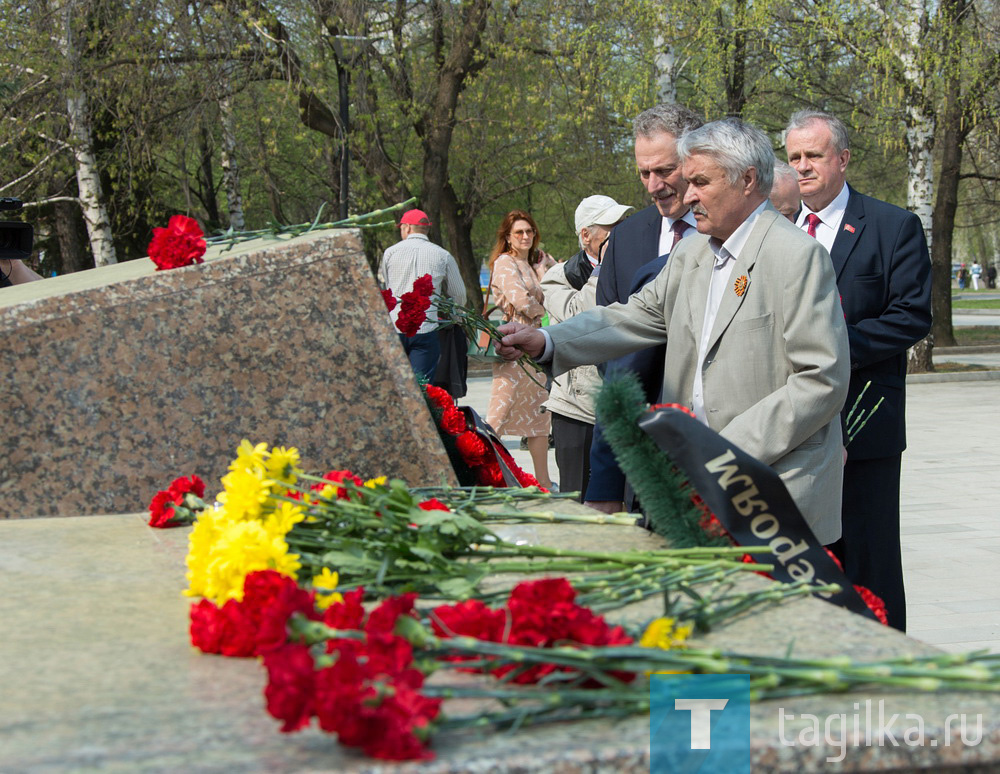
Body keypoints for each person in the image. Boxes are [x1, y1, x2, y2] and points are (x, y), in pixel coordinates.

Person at [498, 118, 850, 544]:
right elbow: (634, 315)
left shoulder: (797, 256)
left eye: (700, 182)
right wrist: (550, 339)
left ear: (747, 180)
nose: (689, 195)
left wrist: (716, 451)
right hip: (690, 489)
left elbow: (821, 380)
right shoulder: (691, 251)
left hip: (770, 490)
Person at [784, 109, 932, 631]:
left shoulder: (893, 226)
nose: (802, 167)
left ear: (842, 159)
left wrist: (831, 349)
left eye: (814, 156)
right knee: (808, 563)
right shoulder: (777, 230)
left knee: (870, 561)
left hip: (865, 424)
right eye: (794, 157)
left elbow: (911, 315)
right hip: (794, 427)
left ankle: (885, 673)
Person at [587, 103, 703, 514]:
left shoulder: (730, 234)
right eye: (644, 173)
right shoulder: (627, 238)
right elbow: (610, 342)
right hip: (641, 445)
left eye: (665, 171)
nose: (654, 186)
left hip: (712, 445)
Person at [541, 195, 632, 500]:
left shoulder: (633, 267)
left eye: (623, 225)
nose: (621, 234)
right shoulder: (558, 278)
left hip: (622, 403)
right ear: (586, 235)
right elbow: (583, 320)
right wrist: (604, 269)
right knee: (578, 498)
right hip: (576, 409)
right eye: (612, 228)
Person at [485, 209, 554, 490]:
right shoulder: (505, 262)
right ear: (509, 238)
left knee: (540, 415)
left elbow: (550, 286)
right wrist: (550, 309)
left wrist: (545, 269)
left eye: (530, 231)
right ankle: (483, 473)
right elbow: (520, 300)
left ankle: (543, 480)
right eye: (519, 233)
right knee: (498, 415)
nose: (526, 236)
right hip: (513, 345)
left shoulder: (533, 264)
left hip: (536, 345)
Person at [378, 208, 466, 381]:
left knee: (395, 382)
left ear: (408, 228)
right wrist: (457, 319)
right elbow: (458, 293)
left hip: (395, 326)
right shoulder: (443, 255)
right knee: (421, 386)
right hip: (426, 328)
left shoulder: (390, 253)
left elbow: (388, 288)